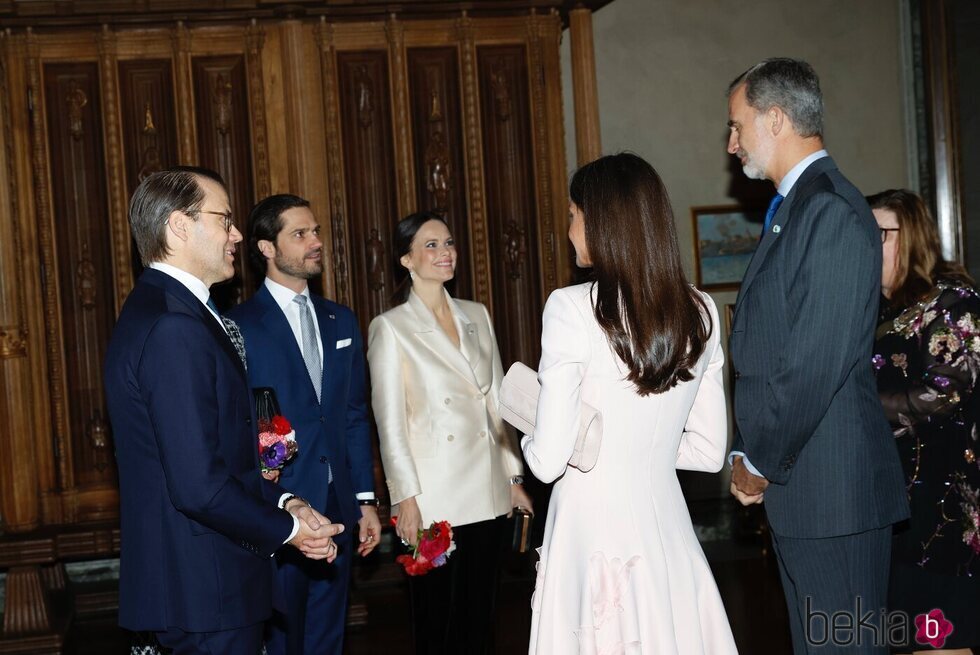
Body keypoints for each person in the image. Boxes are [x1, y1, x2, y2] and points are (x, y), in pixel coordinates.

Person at [104, 167, 342, 654]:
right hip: (203, 589)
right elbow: (198, 486)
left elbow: (216, 456)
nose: (236, 235)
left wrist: (284, 502)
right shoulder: (172, 325)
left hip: (204, 586)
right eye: (224, 219)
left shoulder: (171, 310)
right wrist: (291, 531)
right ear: (179, 226)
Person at [725, 59, 908, 654]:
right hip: (810, 491)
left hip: (833, 492)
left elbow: (811, 365)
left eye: (737, 124)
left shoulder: (825, 208)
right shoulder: (797, 206)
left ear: (775, 119)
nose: (731, 143)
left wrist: (758, 460)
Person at [522, 152, 737, 654]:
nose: (570, 229)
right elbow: (708, 452)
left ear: (601, 222)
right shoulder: (701, 309)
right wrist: (645, 449)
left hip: (590, 526)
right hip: (667, 523)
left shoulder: (572, 307)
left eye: (574, 216)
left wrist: (529, 430)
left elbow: (549, 461)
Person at [367, 211, 531, 654]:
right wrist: (405, 498)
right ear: (406, 259)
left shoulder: (477, 315)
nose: (445, 253)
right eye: (431, 245)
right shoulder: (391, 328)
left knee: (481, 614)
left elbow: (497, 403)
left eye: (449, 242)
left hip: (488, 489)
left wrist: (514, 478)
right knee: (436, 618)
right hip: (434, 497)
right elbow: (390, 422)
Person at [228, 194, 380, 655]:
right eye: (300, 234)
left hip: (337, 503)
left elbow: (353, 415)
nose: (316, 242)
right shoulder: (239, 325)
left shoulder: (342, 319)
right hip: (278, 508)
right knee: (283, 634)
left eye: (315, 231)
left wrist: (365, 500)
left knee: (328, 635)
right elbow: (236, 425)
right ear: (267, 248)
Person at [868, 189, 980, 655]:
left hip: (944, 511)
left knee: (943, 645)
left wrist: (858, 407)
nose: (867, 244)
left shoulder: (954, 302)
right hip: (893, 507)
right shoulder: (874, 311)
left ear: (910, 237)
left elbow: (941, 394)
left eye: (879, 234)